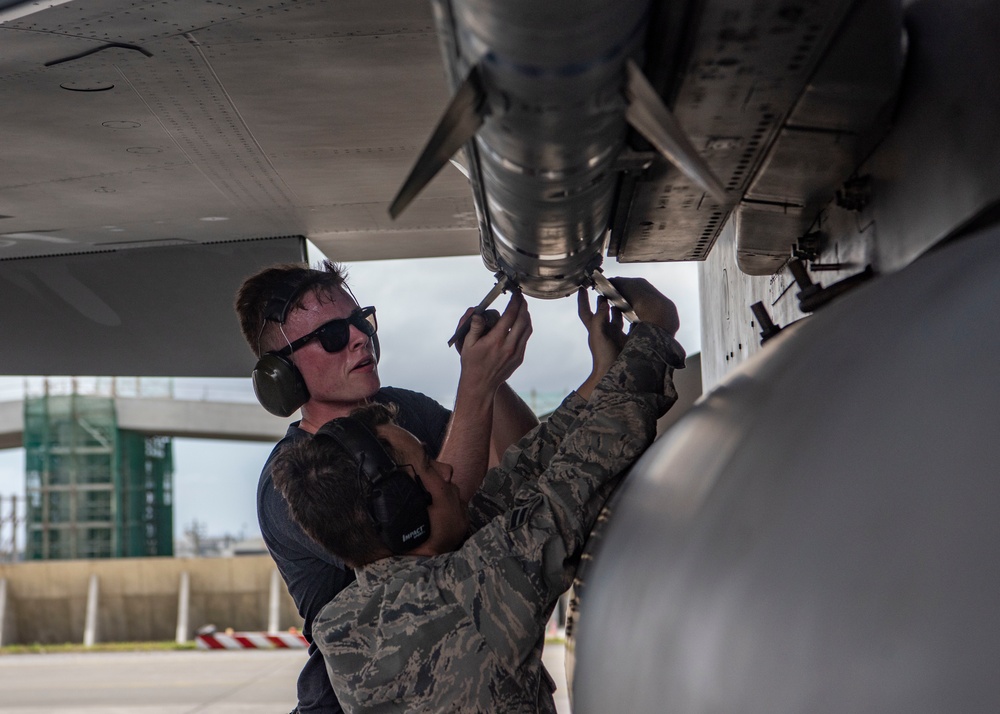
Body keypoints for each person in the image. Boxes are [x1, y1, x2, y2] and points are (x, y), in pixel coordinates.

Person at [270, 278, 686, 713]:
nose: (448, 470)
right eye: (429, 467)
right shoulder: (473, 591)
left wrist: (603, 373)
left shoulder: (343, 623)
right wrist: (656, 331)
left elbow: (521, 472)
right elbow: (589, 462)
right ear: (400, 510)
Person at [234, 261, 538, 713]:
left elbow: (519, 467)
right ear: (283, 375)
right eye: (333, 336)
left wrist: (493, 384)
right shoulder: (294, 478)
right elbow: (424, 534)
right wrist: (473, 389)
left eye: (360, 322)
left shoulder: (402, 410)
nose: (359, 339)